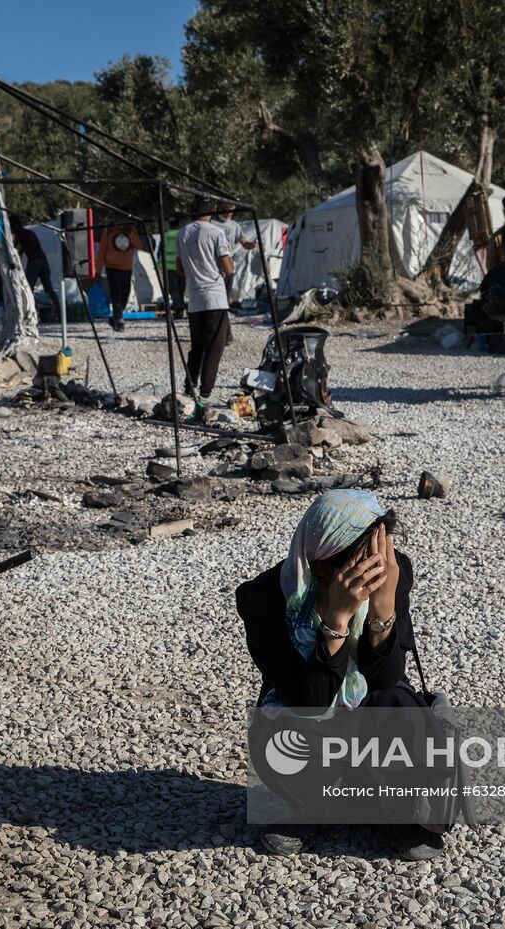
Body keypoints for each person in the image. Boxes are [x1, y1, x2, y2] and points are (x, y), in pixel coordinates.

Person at [237, 490, 450, 861]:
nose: (375, 568)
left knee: (396, 703)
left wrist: (382, 611)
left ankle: (397, 810)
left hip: (370, 712)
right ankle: (307, 804)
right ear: (323, 565)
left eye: (381, 552)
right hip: (305, 719)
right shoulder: (265, 598)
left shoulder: (393, 571)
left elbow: (385, 680)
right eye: (361, 562)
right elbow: (307, 702)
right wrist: (335, 623)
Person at [179, 199, 233, 409]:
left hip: (194, 297)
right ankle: (206, 392)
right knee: (215, 347)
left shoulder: (183, 233)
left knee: (197, 346)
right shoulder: (216, 232)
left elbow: (179, 268)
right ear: (212, 210)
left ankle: (189, 386)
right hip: (214, 296)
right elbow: (228, 267)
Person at [98, 216, 144, 332]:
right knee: (116, 294)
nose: (122, 224)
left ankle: (115, 317)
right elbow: (102, 249)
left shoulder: (131, 230)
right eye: (120, 222)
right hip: (112, 267)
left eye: (125, 222)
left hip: (126, 268)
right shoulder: (108, 230)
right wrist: (98, 270)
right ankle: (119, 320)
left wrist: (131, 233)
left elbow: (139, 246)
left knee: (125, 294)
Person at [9, 214, 57, 302]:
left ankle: (31, 310)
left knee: (28, 289)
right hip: (43, 261)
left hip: (34, 262)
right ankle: (59, 309)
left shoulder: (20, 233)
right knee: (48, 288)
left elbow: (17, 251)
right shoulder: (30, 232)